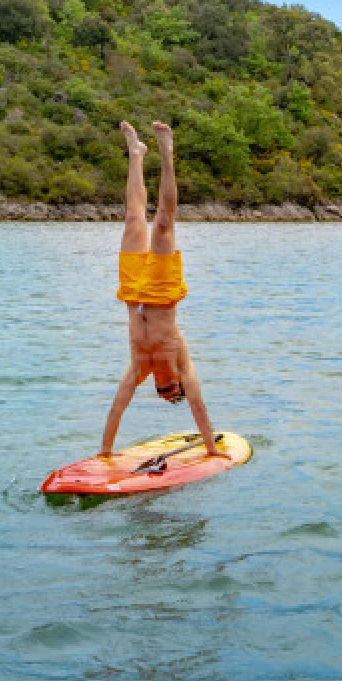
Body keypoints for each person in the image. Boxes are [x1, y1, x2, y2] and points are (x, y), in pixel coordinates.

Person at [100, 121, 228, 460]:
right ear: (179, 382)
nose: (162, 385)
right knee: (163, 223)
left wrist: (105, 453)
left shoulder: (138, 369)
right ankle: (165, 152)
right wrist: (212, 450)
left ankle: (136, 155)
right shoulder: (181, 361)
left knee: (133, 218)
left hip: (133, 294)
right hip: (161, 290)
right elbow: (198, 406)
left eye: (161, 391)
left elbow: (117, 408)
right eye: (170, 388)